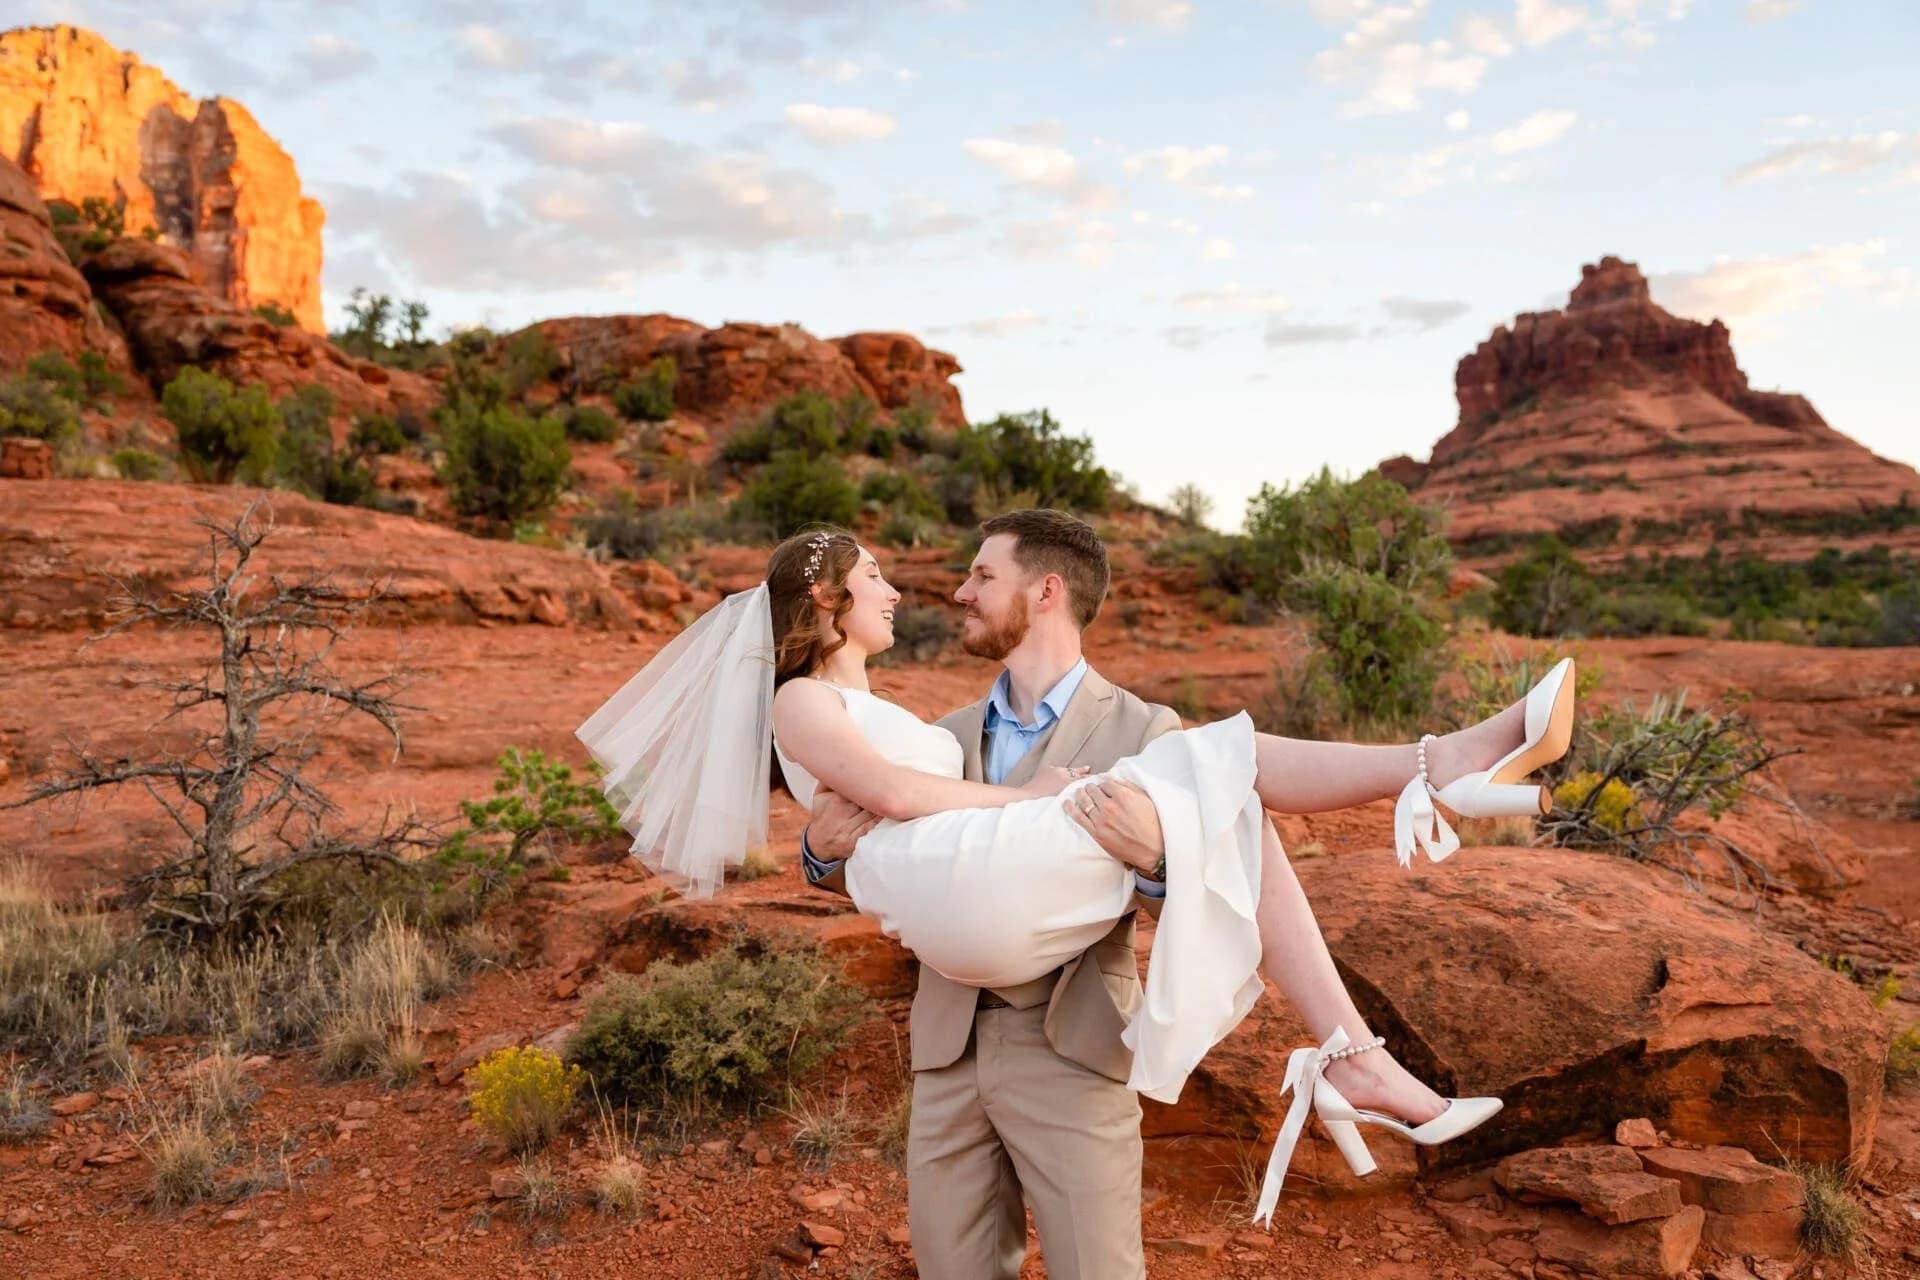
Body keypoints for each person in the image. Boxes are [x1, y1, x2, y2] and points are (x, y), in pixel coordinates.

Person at [577, 513, 1577, 1280]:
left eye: (981, 575)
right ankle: (1424, 808)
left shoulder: (1143, 723)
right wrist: (814, 849)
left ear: (1044, 590)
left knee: (1213, 785)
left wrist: (1155, 857)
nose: (955, 592)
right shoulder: (941, 720)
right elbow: (889, 820)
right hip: (952, 1035)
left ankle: (1425, 808)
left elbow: (1181, 885)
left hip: (1072, 1039)